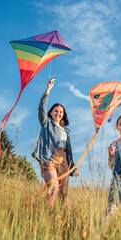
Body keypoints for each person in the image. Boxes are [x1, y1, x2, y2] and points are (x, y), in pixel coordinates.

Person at [32, 78, 79, 209]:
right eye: (56, 111)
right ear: (51, 113)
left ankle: (62, 220)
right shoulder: (46, 124)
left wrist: (73, 167)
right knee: (53, 188)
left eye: (61, 112)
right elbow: (41, 108)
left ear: (63, 115)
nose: (58, 113)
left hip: (63, 160)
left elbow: (69, 152)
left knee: (64, 194)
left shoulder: (66, 131)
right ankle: (48, 216)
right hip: (49, 159)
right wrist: (48, 90)